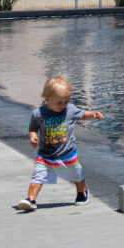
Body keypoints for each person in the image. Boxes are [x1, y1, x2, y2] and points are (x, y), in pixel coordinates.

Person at [15, 77, 105, 212]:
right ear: (47, 99)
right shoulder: (38, 114)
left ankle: (82, 192)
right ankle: (31, 199)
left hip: (67, 153)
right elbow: (33, 128)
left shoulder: (69, 110)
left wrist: (93, 114)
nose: (63, 105)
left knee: (77, 175)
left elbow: (82, 115)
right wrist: (33, 137)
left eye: (66, 101)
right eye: (59, 102)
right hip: (45, 154)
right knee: (38, 176)